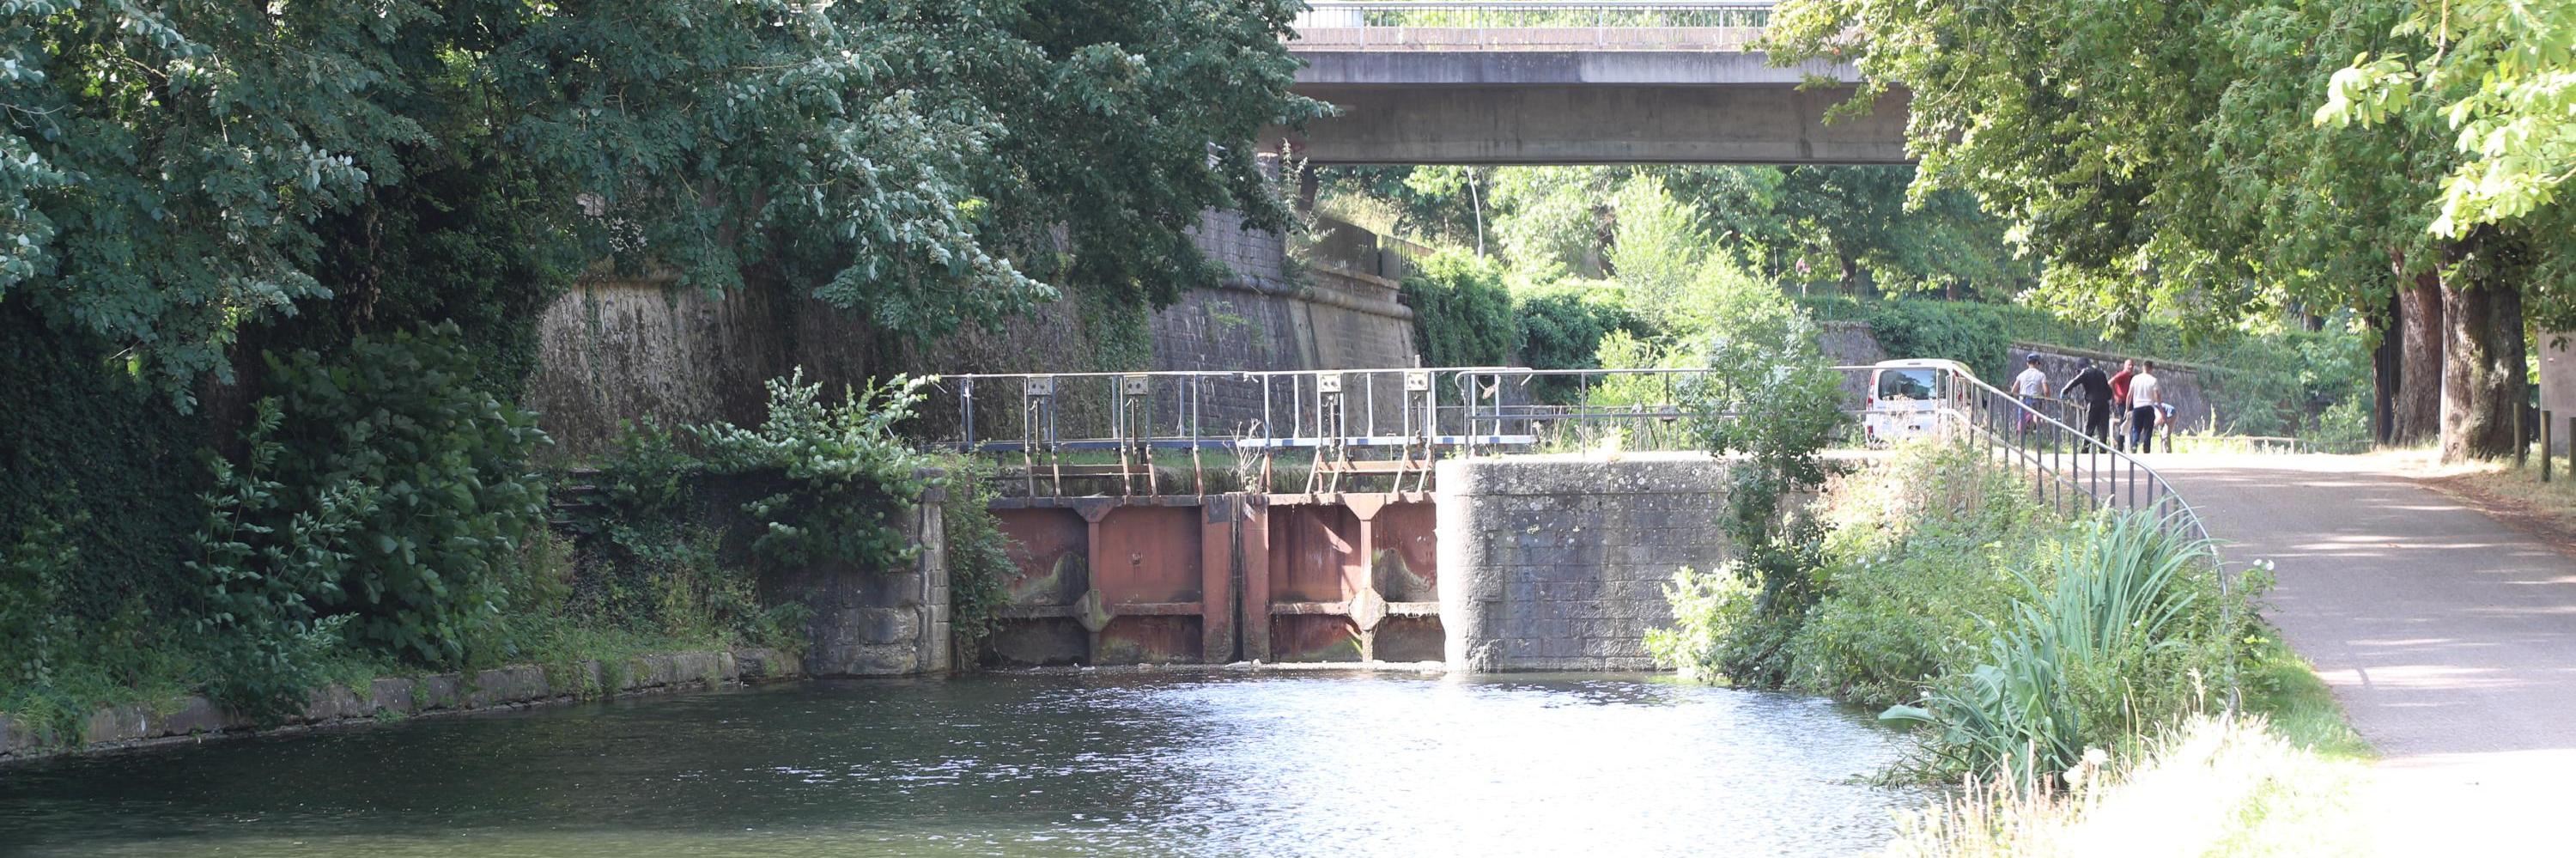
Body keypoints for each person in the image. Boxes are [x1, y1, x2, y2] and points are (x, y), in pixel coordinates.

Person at [2060, 357, 2114, 444]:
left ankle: (2085, 448)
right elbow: (2109, 390)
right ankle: (2103, 449)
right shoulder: (2101, 372)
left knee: (2089, 427)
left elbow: (2074, 381)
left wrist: (2065, 391)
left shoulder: (2085, 372)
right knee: (2103, 429)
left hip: (2093, 403)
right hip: (2104, 404)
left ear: (2080, 367)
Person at [2129, 362, 2162, 453]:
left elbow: (2129, 395)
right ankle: (2146, 449)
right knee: (2148, 430)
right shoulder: (2153, 380)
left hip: (2137, 407)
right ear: (2151, 369)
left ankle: (2134, 445)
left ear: (2142, 368)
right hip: (2149, 407)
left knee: (2136, 429)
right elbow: (2156, 396)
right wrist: (2160, 408)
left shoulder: (2135, 378)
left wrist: (2127, 409)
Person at [2013, 353, 2048, 432]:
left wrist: (2017, 397)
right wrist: (2047, 399)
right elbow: (2046, 391)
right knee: (2035, 417)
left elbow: (2013, 390)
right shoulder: (2041, 375)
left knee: (2022, 422)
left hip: (2023, 401)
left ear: (2027, 363)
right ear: (2037, 363)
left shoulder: (2021, 375)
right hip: (2035, 401)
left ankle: (2020, 436)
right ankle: (2041, 426)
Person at [2108, 359, 2138, 449]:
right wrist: (2116, 394)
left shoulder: (2130, 376)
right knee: (2124, 422)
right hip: (2122, 402)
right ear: (2125, 366)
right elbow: (2110, 382)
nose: (2131, 367)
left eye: (2132, 365)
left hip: (2129, 402)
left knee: (2129, 422)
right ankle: (2120, 446)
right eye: (2129, 365)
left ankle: (2127, 445)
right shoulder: (2123, 374)